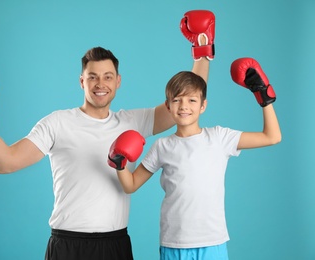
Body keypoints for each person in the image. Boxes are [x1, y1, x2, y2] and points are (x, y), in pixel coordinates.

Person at [0, 10, 213, 260]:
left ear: (118, 81)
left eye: (108, 77)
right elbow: (6, 162)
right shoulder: (57, 123)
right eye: (93, 77)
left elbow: (185, 104)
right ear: (82, 81)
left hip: (115, 243)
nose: (101, 84)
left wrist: (202, 51)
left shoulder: (132, 121)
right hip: (67, 244)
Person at [107, 57, 282, 260]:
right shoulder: (162, 146)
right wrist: (120, 164)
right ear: (168, 106)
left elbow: (272, 136)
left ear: (203, 106)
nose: (184, 106)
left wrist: (263, 95)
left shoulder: (219, 137)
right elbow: (131, 185)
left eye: (192, 100)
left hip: (212, 241)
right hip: (174, 242)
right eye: (177, 100)